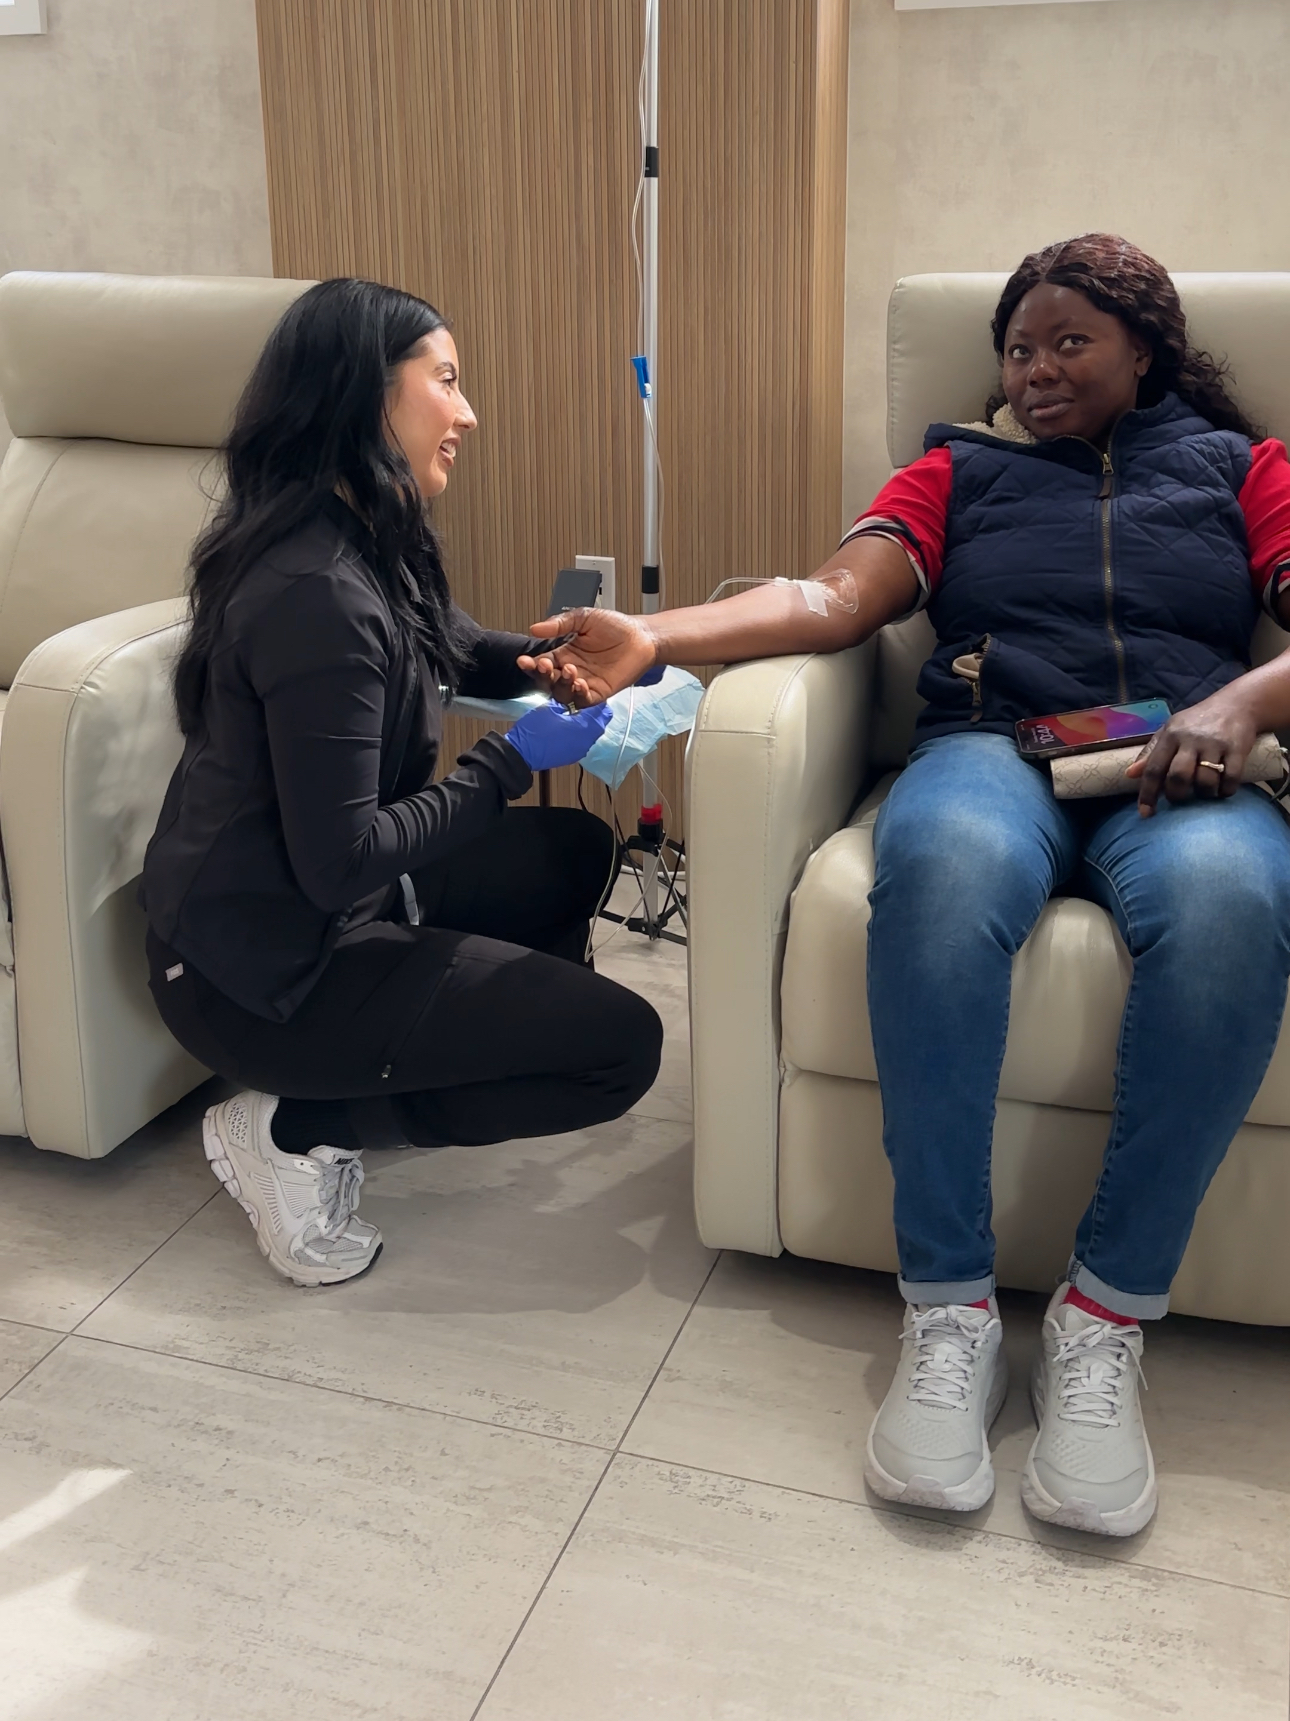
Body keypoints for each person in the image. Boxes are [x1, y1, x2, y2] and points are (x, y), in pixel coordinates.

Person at [531, 235, 1290, 1538]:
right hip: (992, 747)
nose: (1035, 370)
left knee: (1229, 908)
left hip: (1174, 753)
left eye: (1068, 342)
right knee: (933, 872)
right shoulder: (958, 469)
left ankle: (1102, 1323)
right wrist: (657, 636)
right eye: (1016, 347)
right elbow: (831, 597)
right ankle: (946, 1311)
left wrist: (1242, 697)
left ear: (1144, 350)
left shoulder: (1242, 468)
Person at [142, 278, 662, 1288]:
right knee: (619, 1052)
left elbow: (453, 649)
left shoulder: (368, 537)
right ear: (363, 397)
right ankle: (295, 1122)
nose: (466, 412)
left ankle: (421, 1051)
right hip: (255, 973)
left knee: (575, 853)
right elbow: (340, 866)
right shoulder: (314, 597)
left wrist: (552, 658)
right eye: (447, 382)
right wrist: (512, 762)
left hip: (309, 909)